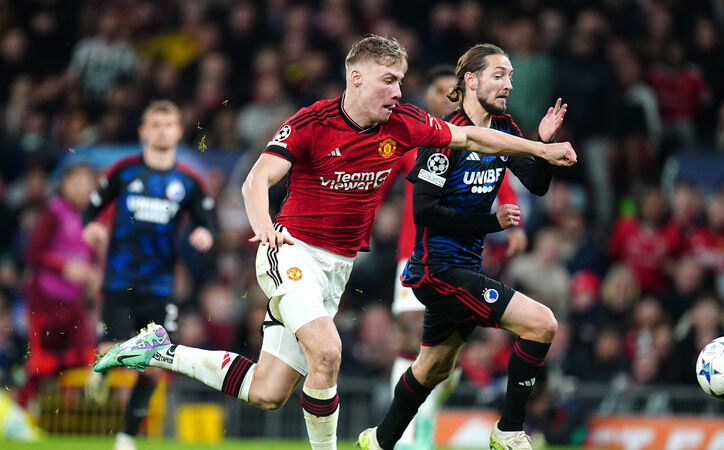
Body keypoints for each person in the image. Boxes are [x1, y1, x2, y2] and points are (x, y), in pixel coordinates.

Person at [93, 35, 575, 450]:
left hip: (336, 268)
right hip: (290, 252)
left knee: (268, 390)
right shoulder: (312, 123)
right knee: (327, 352)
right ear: (356, 78)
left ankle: (159, 351)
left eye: (401, 81)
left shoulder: (404, 123)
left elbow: (473, 140)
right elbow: (256, 179)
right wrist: (263, 224)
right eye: (389, 80)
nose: (399, 91)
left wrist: (540, 149)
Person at [358, 43, 567, 450]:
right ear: (471, 80)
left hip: (464, 269)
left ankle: (378, 441)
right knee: (542, 323)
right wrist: (491, 223)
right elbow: (425, 211)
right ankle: (509, 430)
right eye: (499, 75)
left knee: (433, 368)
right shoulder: (444, 136)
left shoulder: (505, 128)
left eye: (510, 76)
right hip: (436, 270)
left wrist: (543, 143)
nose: (508, 84)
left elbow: (536, 185)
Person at [388, 65, 530, 450]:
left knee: (443, 357)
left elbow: (500, 174)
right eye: (434, 90)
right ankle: (406, 439)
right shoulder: (415, 138)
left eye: (445, 90)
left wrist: (514, 227)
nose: (440, 97)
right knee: (410, 335)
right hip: (415, 252)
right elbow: (381, 181)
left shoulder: (477, 135)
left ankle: (425, 418)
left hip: (461, 257)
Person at [81, 100, 216, 450]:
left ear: (178, 131)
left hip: (160, 286)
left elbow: (207, 221)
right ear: (143, 131)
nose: (161, 131)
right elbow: (90, 209)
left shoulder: (188, 181)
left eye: (168, 124)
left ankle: (127, 437)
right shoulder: (123, 171)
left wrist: (205, 233)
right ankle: (103, 370)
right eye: (155, 124)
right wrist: (91, 226)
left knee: (156, 365)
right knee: (112, 351)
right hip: (119, 282)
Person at [21, 163, 102, 406]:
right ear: (65, 185)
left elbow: (89, 258)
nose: (80, 189)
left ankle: (69, 414)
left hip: (73, 303)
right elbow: (34, 252)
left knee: (85, 357)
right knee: (41, 363)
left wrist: (93, 275)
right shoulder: (54, 211)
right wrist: (64, 267)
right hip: (45, 302)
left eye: (86, 184)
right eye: (75, 183)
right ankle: (21, 411)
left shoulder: (91, 219)